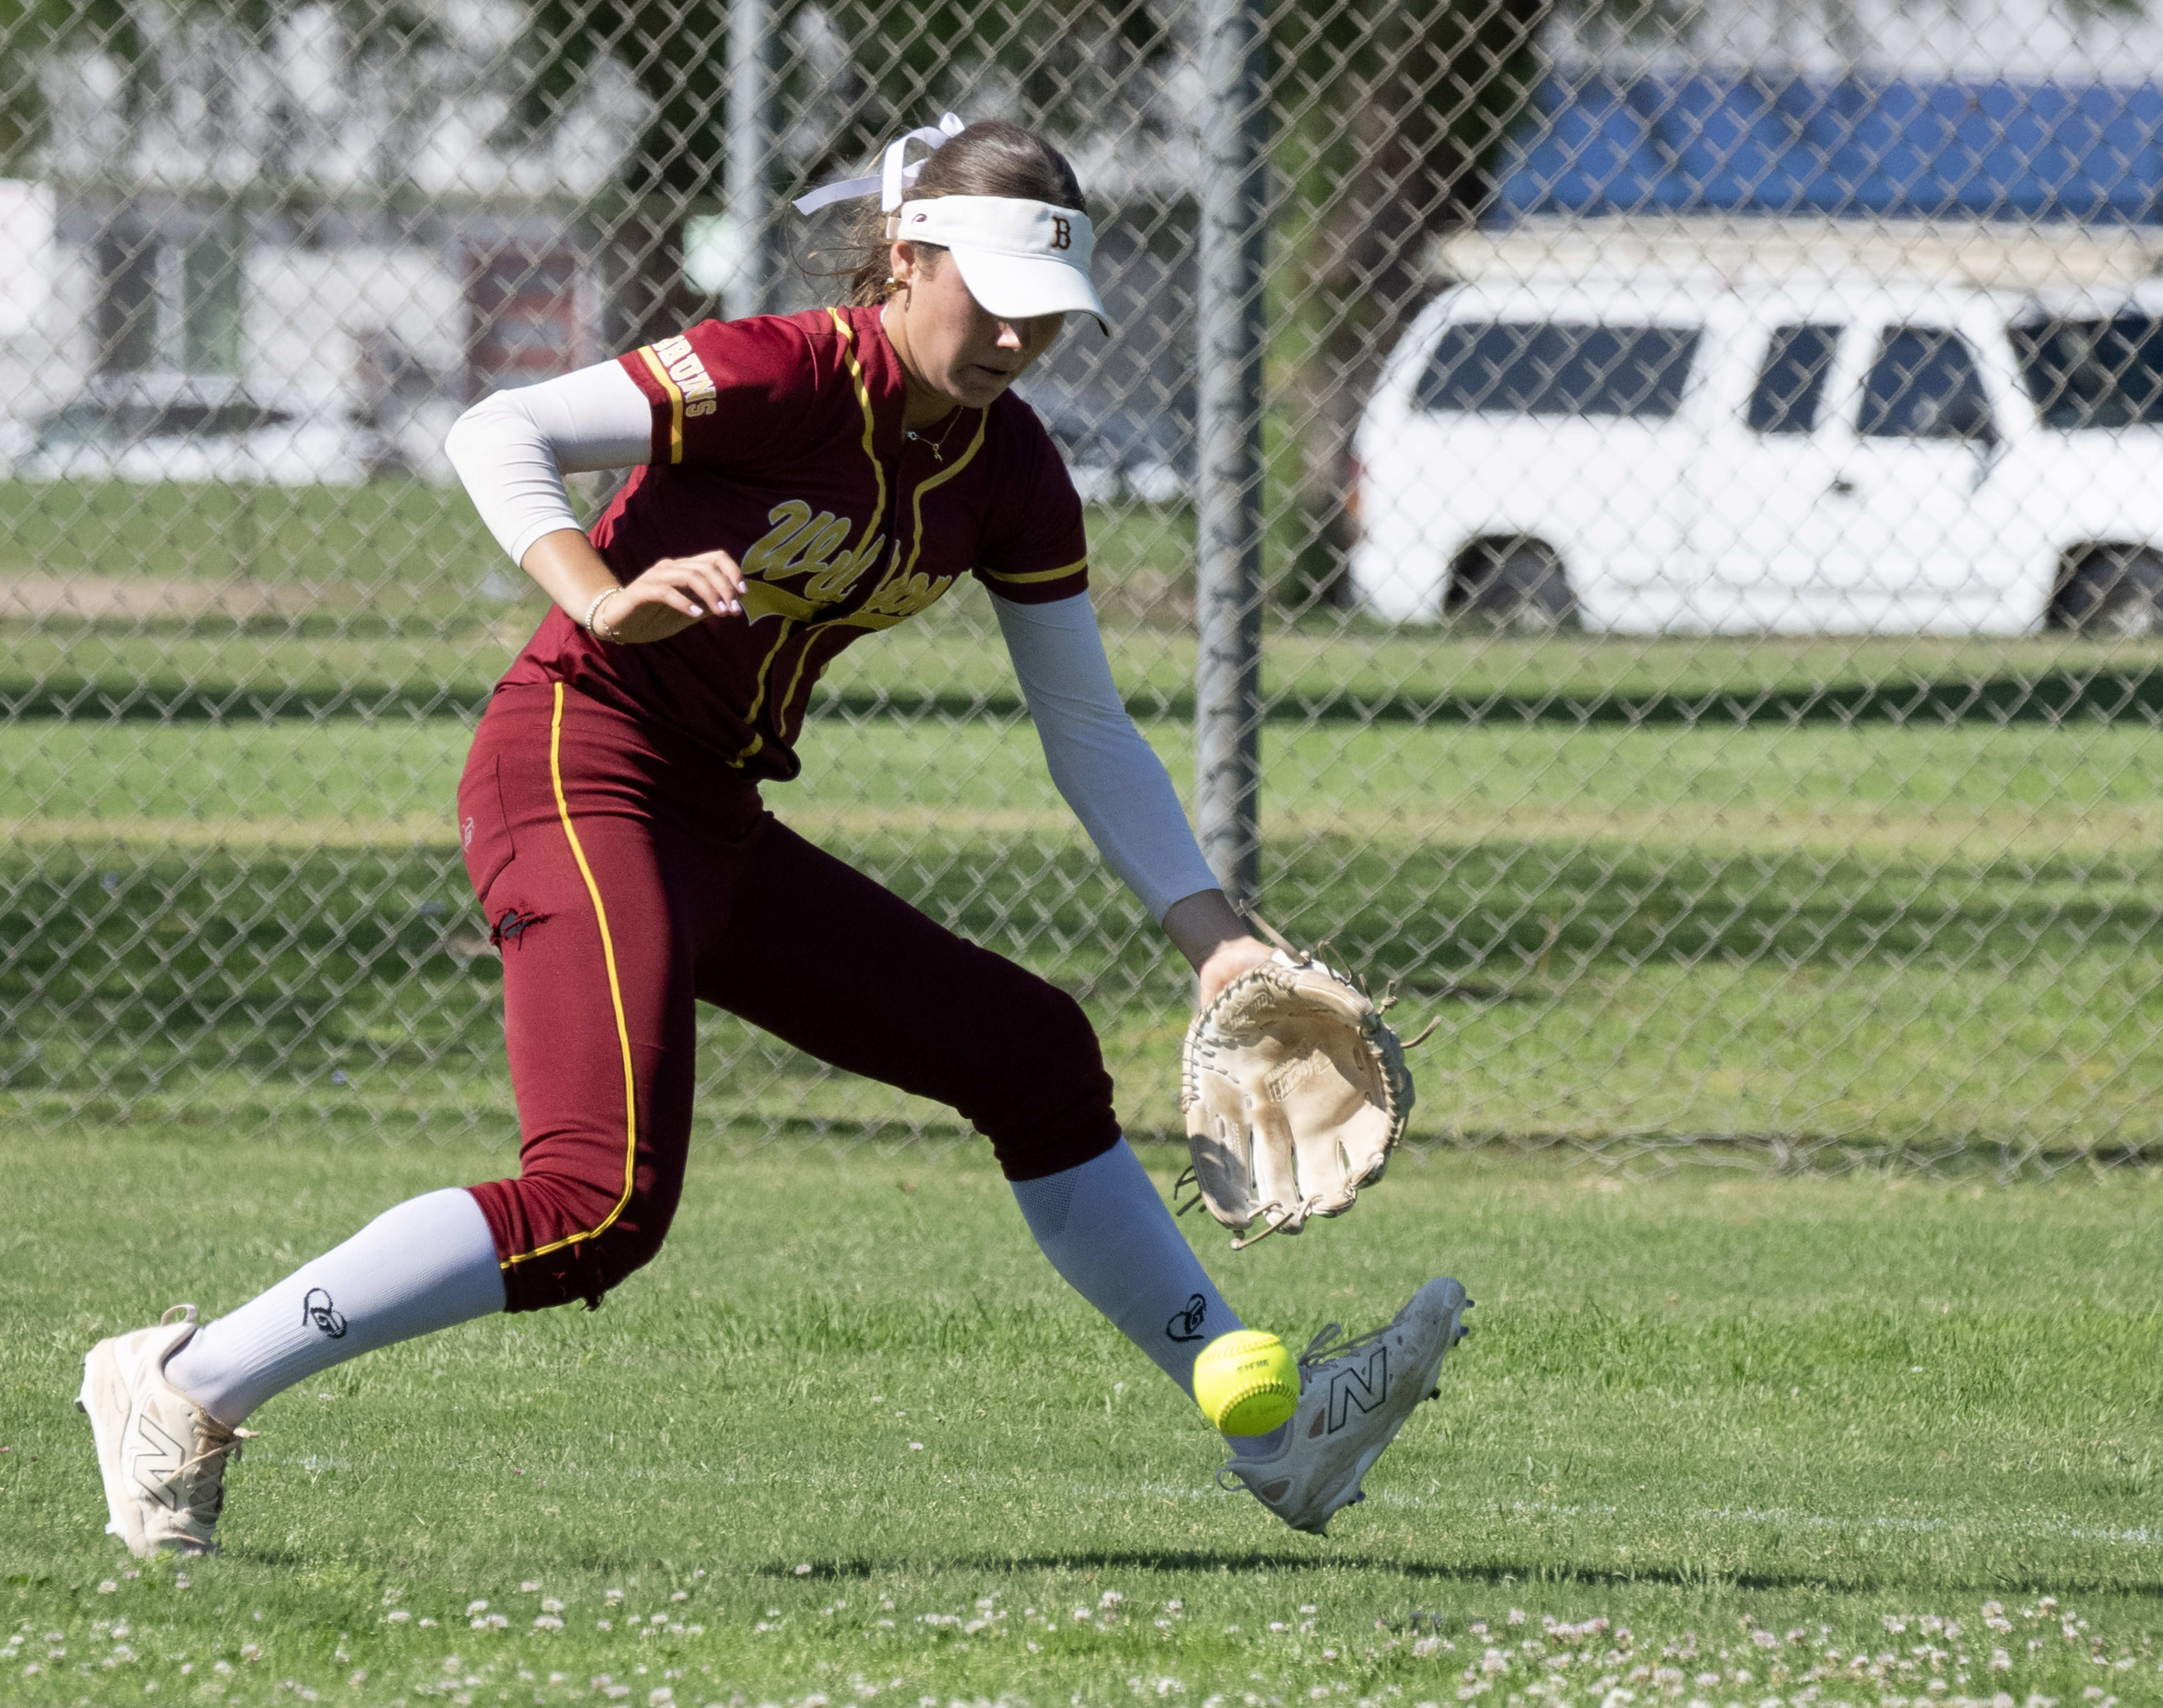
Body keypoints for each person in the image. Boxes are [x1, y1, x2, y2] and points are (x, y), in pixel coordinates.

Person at [77, 115, 1468, 1559]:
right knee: (597, 1197)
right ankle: (181, 1388)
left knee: (1033, 1054)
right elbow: (499, 430)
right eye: (988, 299)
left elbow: (1089, 727)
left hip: (714, 813)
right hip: (576, 762)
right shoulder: (786, 368)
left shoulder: (1014, 472)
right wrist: (598, 586)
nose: (1013, 339)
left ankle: (1271, 1430)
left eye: (1045, 316)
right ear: (907, 257)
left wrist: (1211, 932)